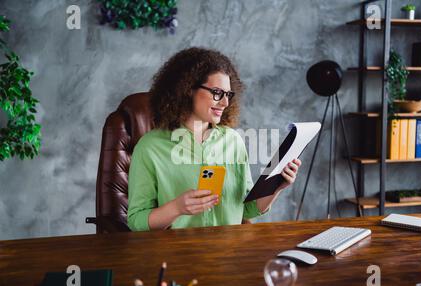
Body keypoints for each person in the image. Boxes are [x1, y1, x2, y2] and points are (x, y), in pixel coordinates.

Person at [127, 47, 301, 231]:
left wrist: (276, 187)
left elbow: (246, 210)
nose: (225, 103)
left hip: (228, 253)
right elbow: (136, 221)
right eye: (217, 92)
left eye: (228, 94)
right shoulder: (150, 147)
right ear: (187, 89)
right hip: (179, 254)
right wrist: (176, 208)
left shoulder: (233, 141)